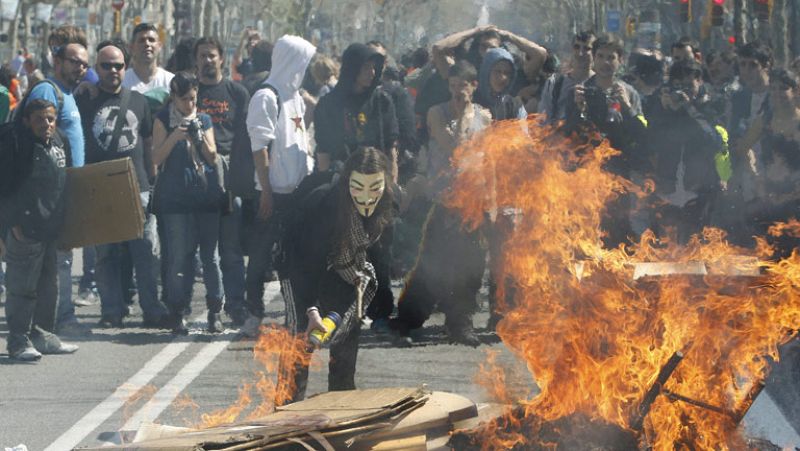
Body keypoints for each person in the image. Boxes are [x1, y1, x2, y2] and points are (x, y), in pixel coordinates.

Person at [391, 61, 492, 347]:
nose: (459, 90)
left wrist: (493, 198)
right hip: (444, 200)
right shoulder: (438, 113)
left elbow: (488, 159)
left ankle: (461, 324)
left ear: (474, 86)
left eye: (465, 85)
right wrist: (461, 116)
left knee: (472, 266)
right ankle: (408, 320)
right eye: (454, 85)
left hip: (472, 203)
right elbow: (456, 150)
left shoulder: (485, 117)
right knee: (432, 265)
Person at [283, 147, 395, 400]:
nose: (367, 198)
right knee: (301, 343)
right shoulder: (325, 205)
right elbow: (304, 263)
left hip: (345, 273)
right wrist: (311, 309)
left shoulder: (388, 202)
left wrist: (380, 304)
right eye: (358, 187)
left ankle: (342, 409)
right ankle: (286, 415)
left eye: (374, 188)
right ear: (347, 183)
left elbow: (379, 256)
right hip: (299, 267)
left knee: (345, 339)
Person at [76, 41, 171, 329]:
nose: (113, 70)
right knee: (106, 256)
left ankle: (152, 311)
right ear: (96, 69)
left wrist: (153, 183)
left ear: (125, 68)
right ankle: (112, 311)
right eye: (106, 65)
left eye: (118, 65)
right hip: (99, 189)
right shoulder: (84, 100)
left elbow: (147, 144)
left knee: (145, 254)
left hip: (137, 188)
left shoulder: (139, 102)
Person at [242, 35, 316, 337]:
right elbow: (259, 148)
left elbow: (301, 128)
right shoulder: (266, 96)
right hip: (270, 194)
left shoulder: (294, 95)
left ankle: (294, 314)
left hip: (296, 194)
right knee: (260, 256)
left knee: (293, 257)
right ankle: (252, 313)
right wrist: (267, 192)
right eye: (302, 62)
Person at [0, 99, 79, 361]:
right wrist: (13, 225)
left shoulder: (60, 140)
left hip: (51, 228)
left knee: (49, 286)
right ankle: (17, 342)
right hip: (24, 228)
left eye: (50, 119)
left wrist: (66, 228)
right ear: (26, 121)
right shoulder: (16, 145)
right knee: (22, 288)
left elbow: (66, 184)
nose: (46, 124)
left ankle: (42, 336)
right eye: (39, 119)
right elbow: (5, 188)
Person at [27, 38, 90, 337]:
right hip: (49, 193)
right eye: (75, 61)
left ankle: (54, 320)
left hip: (66, 191)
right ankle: (58, 321)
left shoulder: (67, 94)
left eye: (84, 63)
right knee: (56, 261)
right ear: (58, 62)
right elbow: (32, 140)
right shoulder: (46, 91)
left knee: (60, 258)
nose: (81, 67)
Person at [151, 72, 223, 334]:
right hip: (175, 199)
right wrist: (175, 136)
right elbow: (156, 158)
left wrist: (199, 134)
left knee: (210, 257)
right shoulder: (162, 120)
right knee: (179, 256)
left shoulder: (203, 119)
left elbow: (213, 157)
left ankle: (216, 310)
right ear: (173, 98)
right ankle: (177, 310)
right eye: (184, 100)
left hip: (204, 198)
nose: (189, 105)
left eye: (193, 99)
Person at [195, 36, 251, 327]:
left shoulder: (237, 92)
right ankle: (212, 307)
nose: (207, 61)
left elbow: (247, 136)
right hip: (195, 179)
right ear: (196, 60)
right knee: (205, 252)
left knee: (230, 250)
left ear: (221, 59)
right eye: (202, 56)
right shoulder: (189, 92)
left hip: (229, 180)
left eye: (212, 56)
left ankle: (236, 305)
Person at [647, 60, 729, 242]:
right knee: (664, 250)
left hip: (700, 192)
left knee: (699, 248)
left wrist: (689, 108)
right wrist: (663, 109)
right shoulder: (663, 106)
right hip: (667, 190)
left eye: (687, 84)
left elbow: (715, 139)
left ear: (699, 81)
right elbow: (650, 140)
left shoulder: (713, 104)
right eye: (678, 85)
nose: (683, 91)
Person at [476, 47, 526, 120]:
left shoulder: (514, 106)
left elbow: (523, 129)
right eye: (497, 71)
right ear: (486, 72)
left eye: (507, 73)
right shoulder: (471, 101)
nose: (502, 78)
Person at [124, 23, 174, 95]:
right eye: (141, 40)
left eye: (151, 40)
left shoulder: (170, 81)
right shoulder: (123, 82)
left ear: (159, 46)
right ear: (131, 47)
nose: (147, 44)